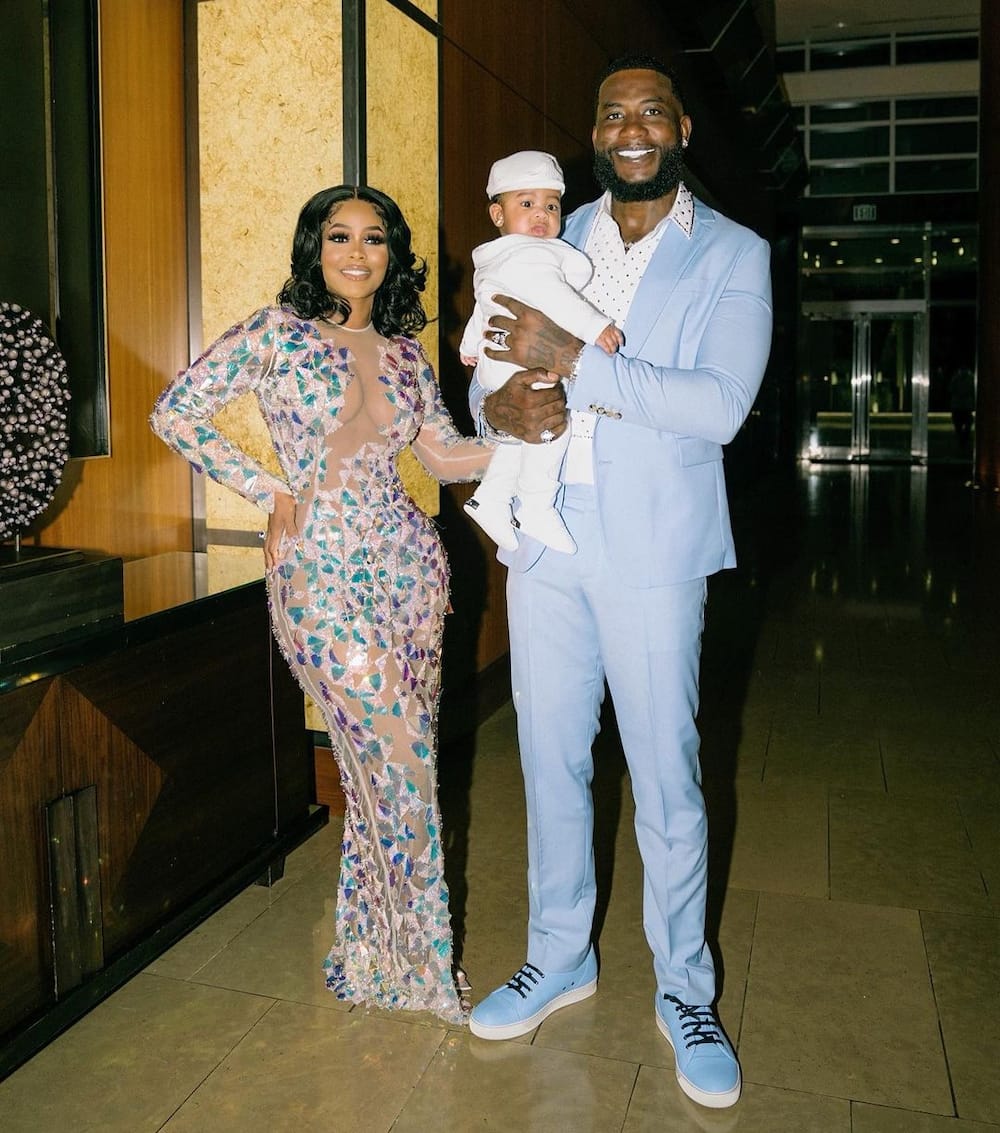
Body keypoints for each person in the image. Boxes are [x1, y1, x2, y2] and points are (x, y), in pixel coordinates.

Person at [466, 55, 773, 1111]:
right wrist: (494, 411)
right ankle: (560, 954)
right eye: (611, 114)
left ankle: (685, 989)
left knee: (666, 774)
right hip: (545, 535)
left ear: (680, 128)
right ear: (591, 134)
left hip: (652, 545)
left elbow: (720, 403)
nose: (630, 128)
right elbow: (490, 359)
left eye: (650, 112)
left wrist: (578, 363)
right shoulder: (551, 232)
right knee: (547, 757)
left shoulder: (734, 252)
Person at [151, 185, 494, 1024]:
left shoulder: (410, 355)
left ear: (391, 255)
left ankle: (372, 951)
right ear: (313, 248)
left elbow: (448, 461)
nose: (355, 251)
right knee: (406, 761)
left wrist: (546, 434)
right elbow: (177, 410)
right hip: (320, 578)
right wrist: (270, 489)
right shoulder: (274, 334)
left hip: (413, 574)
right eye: (337, 235)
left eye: (373, 238)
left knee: (383, 774)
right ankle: (421, 969)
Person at [459, 150, 623, 554]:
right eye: (526, 203)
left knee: (520, 437)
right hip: (522, 361)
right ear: (497, 215)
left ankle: (491, 499)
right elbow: (556, 297)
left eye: (551, 205)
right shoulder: (532, 255)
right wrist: (594, 325)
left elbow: (486, 304)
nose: (541, 215)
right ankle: (535, 505)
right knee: (551, 430)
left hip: (498, 361)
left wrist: (469, 345)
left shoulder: (499, 257)